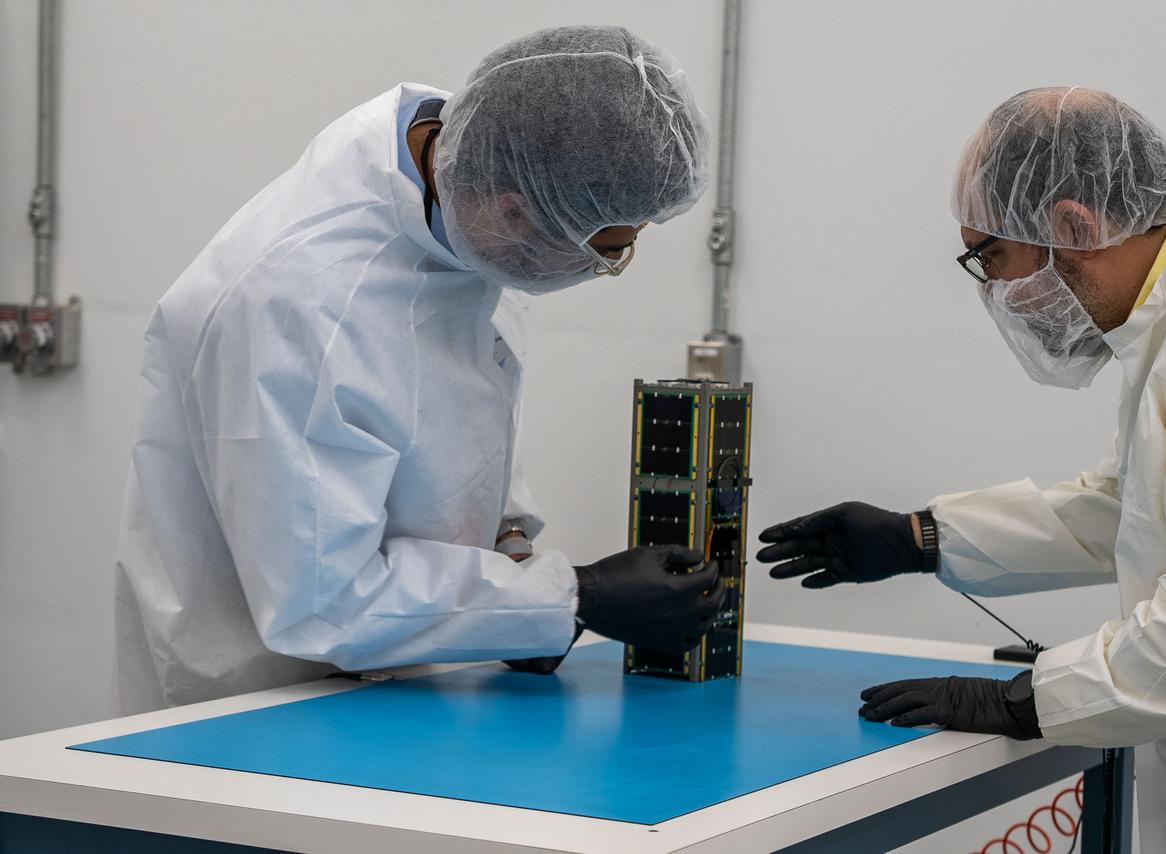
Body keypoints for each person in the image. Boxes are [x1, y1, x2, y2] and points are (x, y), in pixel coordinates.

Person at [114, 25, 722, 714]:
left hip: (408, 686)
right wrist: (578, 594)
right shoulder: (302, 306)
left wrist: (515, 563)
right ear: (515, 212)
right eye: (606, 249)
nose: (610, 266)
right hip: (260, 702)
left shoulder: (472, 182)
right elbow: (322, 604)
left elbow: (446, 418)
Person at [758, 87, 1166, 852]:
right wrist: (921, 537)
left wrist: (1026, 701)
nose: (997, 293)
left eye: (991, 257)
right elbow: (1132, 506)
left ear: (1073, 224)